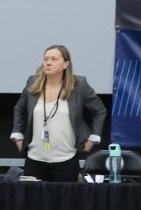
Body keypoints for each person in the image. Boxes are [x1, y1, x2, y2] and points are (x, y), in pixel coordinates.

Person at [10, 44, 108, 181]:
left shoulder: (79, 85)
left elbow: (99, 110)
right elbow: (19, 109)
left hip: (66, 159)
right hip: (34, 158)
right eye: (46, 59)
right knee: (33, 201)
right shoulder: (33, 82)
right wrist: (18, 135)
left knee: (64, 201)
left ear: (66, 64)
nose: (48, 62)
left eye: (54, 59)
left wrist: (94, 137)